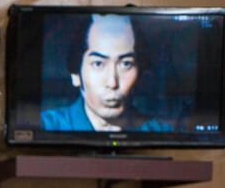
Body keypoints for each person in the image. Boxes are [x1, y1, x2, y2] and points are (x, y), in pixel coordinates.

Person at [40, 13, 173, 132]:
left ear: (140, 75)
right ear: (75, 75)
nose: (112, 83)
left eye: (125, 64)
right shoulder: (46, 127)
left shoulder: (162, 132)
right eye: (98, 64)